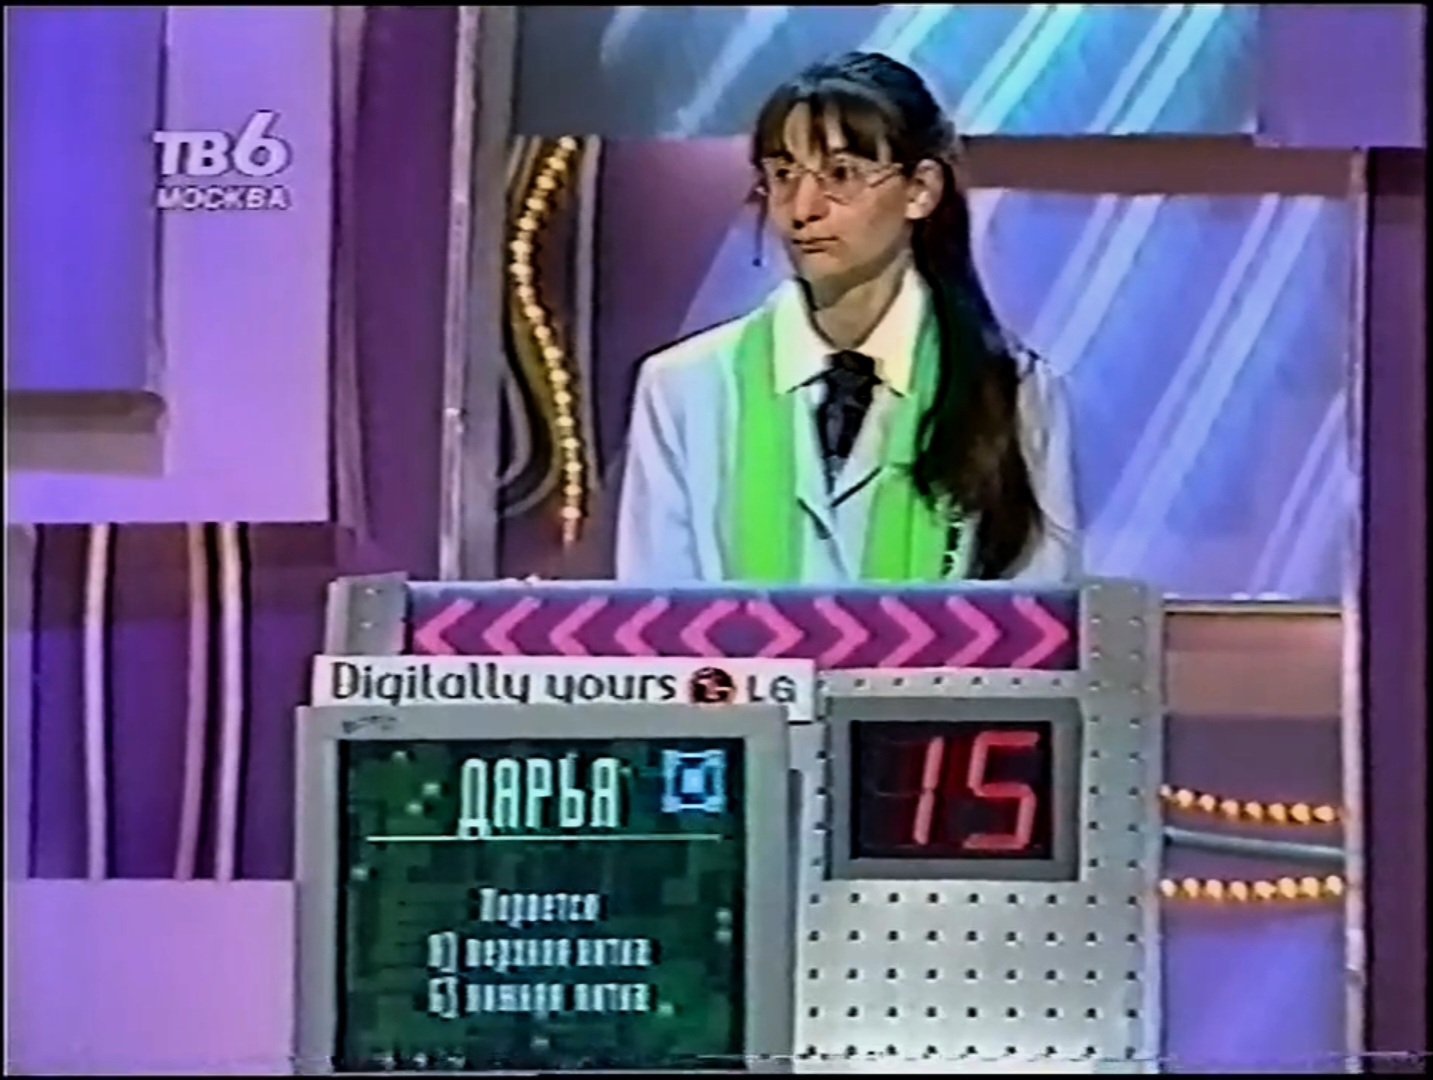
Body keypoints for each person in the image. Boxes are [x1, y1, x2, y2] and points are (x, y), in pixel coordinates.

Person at [616, 51, 1079, 584]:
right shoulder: (682, 387)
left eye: (841, 174)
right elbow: (658, 614)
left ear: (920, 190)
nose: (803, 208)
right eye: (783, 174)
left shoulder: (1014, 392)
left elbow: (1037, 613)